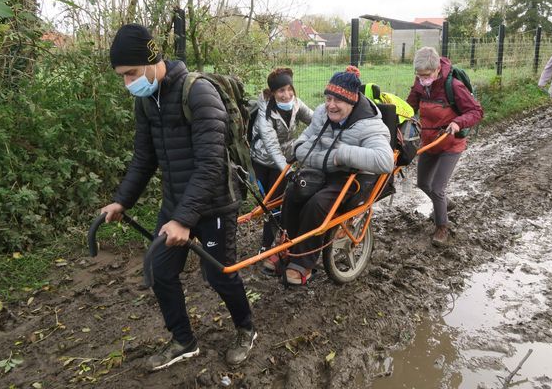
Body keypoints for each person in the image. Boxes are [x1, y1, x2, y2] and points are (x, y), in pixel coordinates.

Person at [99, 24, 256, 371]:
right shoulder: (147, 101)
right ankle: (183, 340)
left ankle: (246, 328)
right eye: (122, 77)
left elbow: (211, 163)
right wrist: (122, 201)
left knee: (218, 274)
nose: (129, 84)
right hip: (175, 203)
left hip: (214, 202)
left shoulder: (198, 93)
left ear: (153, 60)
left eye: (132, 74)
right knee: (160, 271)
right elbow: (144, 158)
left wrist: (185, 220)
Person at [274, 66, 394, 285]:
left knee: (318, 204)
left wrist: (342, 154)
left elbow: (385, 160)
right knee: (293, 191)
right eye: (328, 98)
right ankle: (286, 248)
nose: (330, 105)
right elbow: (302, 144)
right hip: (321, 171)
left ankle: (303, 264)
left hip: (351, 177)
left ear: (352, 101)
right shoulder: (322, 113)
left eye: (337, 100)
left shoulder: (369, 125)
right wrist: (322, 155)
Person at [406, 47, 483, 246]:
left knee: (437, 188)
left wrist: (458, 122)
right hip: (429, 141)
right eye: (419, 75)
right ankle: (445, 204)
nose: (423, 79)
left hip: (451, 143)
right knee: (423, 183)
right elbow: (409, 108)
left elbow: (476, 111)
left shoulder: (454, 86)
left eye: (427, 75)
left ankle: (442, 227)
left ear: (437, 69)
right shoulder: (419, 85)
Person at [250, 67, 312, 256]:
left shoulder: (296, 104)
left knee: (277, 201)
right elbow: (271, 144)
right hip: (261, 160)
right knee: (267, 202)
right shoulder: (265, 112)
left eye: (289, 89)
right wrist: (288, 168)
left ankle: (271, 242)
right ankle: (269, 242)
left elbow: (315, 119)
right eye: (281, 91)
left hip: (283, 162)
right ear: (273, 93)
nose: (286, 95)